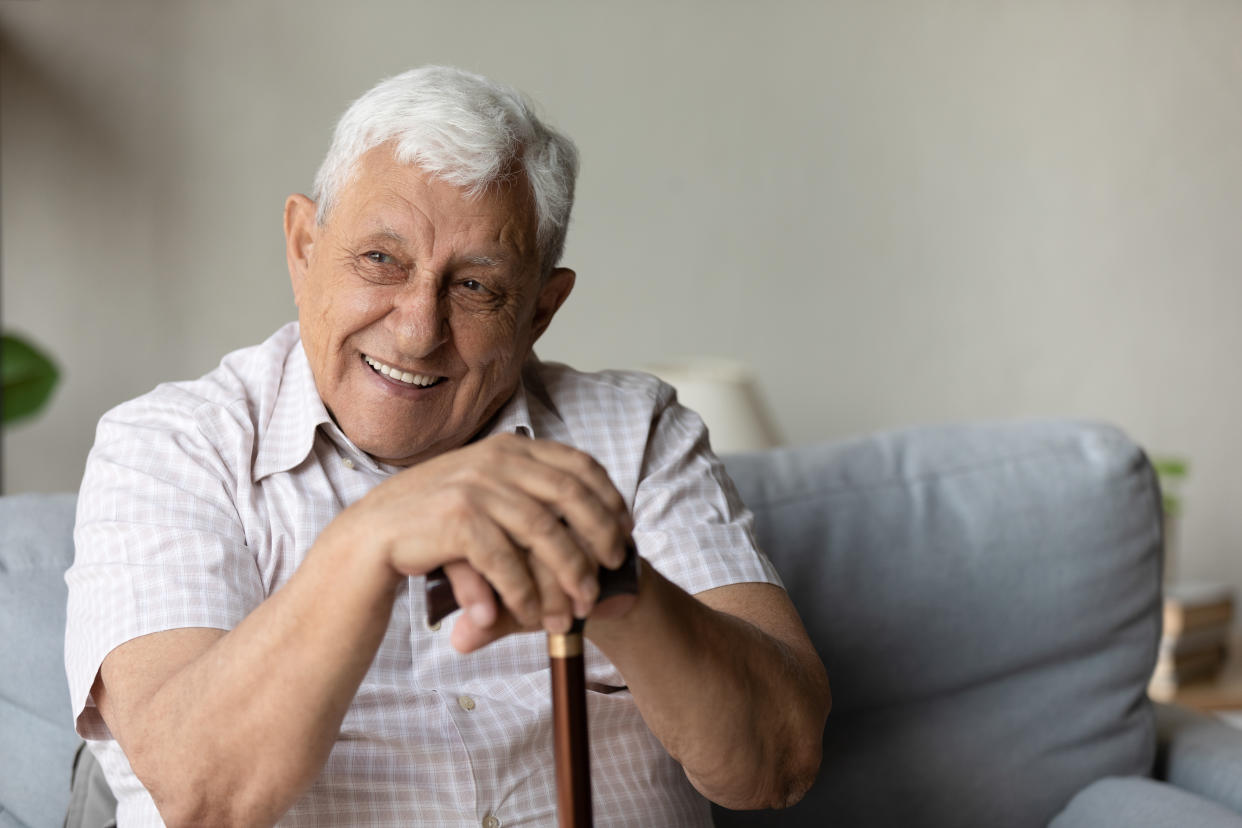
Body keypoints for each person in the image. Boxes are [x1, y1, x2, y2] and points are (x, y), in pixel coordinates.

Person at [64, 65, 831, 827]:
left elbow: (781, 764)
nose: (417, 329)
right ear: (303, 246)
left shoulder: (638, 436)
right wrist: (372, 535)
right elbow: (204, 796)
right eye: (380, 260)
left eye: (475, 287)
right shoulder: (170, 449)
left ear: (539, 310)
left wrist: (619, 589)